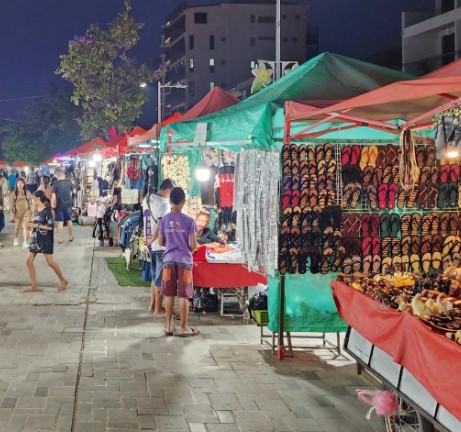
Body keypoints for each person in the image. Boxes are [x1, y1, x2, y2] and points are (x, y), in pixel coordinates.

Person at [157, 187, 199, 337]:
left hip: (168, 260)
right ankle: (183, 327)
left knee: (169, 294)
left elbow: (160, 241)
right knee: (184, 295)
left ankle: (169, 326)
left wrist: (170, 244)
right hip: (184, 261)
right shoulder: (189, 221)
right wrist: (186, 247)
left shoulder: (164, 220)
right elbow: (193, 245)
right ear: (183, 202)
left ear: (170, 201)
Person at [26, 190, 68, 292]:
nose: (32, 201)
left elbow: (50, 226)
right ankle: (34, 285)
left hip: (45, 240)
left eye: (33, 199)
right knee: (29, 262)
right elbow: (37, 224)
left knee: (50, 262)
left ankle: (63, 280)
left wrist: (35, 225)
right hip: (36, 239)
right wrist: (30, 226)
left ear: (38, 199)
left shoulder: (47, 211)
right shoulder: (37, 211)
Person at [144, 178, 175, 315]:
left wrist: (150, 240)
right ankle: (158, 309)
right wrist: (153, 239)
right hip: (159, 245)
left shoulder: (147, 199)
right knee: (159, 278)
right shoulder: (163, 203)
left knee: (154, 276)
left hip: (150, 244)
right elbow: (160, 224)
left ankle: (152, 306)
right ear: (168, 190)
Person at [51, 169, 74, 243]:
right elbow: (72, 192)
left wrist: (52, 204)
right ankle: (70, 237)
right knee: (69, 220)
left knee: (60, 222)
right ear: (64, 175)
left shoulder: (55, 184)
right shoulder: (69, 182)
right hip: (68, 205)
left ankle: (61, 239)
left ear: (57, 176)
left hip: (59, 205)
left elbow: (53, 196)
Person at [10, 177, 33, 248]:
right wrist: (12, 212)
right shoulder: (14, 193)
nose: (20, 185)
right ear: (16, 184)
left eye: (21, 183)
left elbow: (31, 203)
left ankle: (25, 242)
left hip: (26, 212)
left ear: (24, 184)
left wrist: (31, 213)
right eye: (18, 183)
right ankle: (16, 238)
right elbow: (11, 204)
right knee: (17, 228)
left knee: (25, 227)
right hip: (17, 212)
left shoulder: (27, 192)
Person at [0, 175, 6, 248]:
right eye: (2, 180)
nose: (3, 182)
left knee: (2, 224)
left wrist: (5, 195)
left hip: (1, 211)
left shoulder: (1, 188)